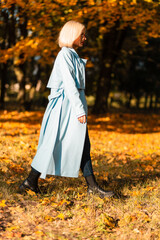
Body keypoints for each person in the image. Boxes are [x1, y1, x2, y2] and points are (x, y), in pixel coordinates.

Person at [19, 20, 114, 198]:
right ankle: (30, 181)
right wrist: (79, 110)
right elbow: (70, 85)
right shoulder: (64, 55)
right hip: (64, 107)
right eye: (82, 34)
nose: (85, 38)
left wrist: (79, 107)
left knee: (83, 144)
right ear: (72, 34)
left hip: (72, 104)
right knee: (51, 143)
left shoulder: (73, 55)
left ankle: (91, 186)